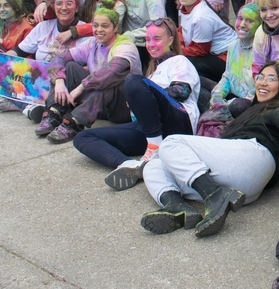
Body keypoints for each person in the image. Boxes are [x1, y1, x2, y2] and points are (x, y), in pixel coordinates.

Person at [140, 61, 279, 237]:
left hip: (255, 156)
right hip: (244, 188)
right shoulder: (253, 110)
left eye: (271, 79)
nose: (262, 82)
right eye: (260, 77)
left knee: (171, 143)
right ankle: (177, 206)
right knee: (155, 165)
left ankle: (214, 196)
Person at [73, 17, 200, 191]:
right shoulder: (153, 71)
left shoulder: (179, 61)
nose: (151, 44)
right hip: (150, 129)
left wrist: (147, 95)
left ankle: (155, 147)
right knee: (83, 137)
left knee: (133, 81)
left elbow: (181, 92)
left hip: (179, 123)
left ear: (170, 40)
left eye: (157, 39)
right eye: (148, 40)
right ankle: (131, 166)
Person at [36, 0, 142, 143]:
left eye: (105, 26)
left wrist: (81, 87)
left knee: (105, 82)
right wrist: (59, 81)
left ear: (115, 27)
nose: (99, 30)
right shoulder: (92, 43)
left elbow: (110, 73)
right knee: (71, 66)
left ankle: (75, 124)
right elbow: (59, 58)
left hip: (122, 107)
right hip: (97, 104)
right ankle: (53, 112)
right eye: (95, 25)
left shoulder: (125, 47)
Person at [0, 0, 84, 113]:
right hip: (39, 79)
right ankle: (29, 107)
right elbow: (19, 51)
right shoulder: (43, 27)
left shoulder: (84, 30)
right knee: (9, 64)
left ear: (76, 7)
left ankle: (23, 104)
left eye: (69, 4)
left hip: (65, 81)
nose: (63, 8)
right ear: (54, 7)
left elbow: (87, 68)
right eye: (59, 4)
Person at [176, 0, 237, 82]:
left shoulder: (201, 16)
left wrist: (176, 50)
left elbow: (200, 50)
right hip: (211, 54)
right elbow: (182, 31)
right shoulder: (185, 7)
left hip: (227, 59)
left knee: (184, 64)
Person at [209, 4, 262, 116]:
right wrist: (217, 95)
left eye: (249, 21)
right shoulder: (233, 46)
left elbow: (258, 91)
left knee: (238, 106)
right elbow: (227, 76)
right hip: (231, 97)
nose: (242, 24)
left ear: (260, 25)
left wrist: (228, 104)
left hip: (247, 104)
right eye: (240, 18)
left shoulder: (262, 52)